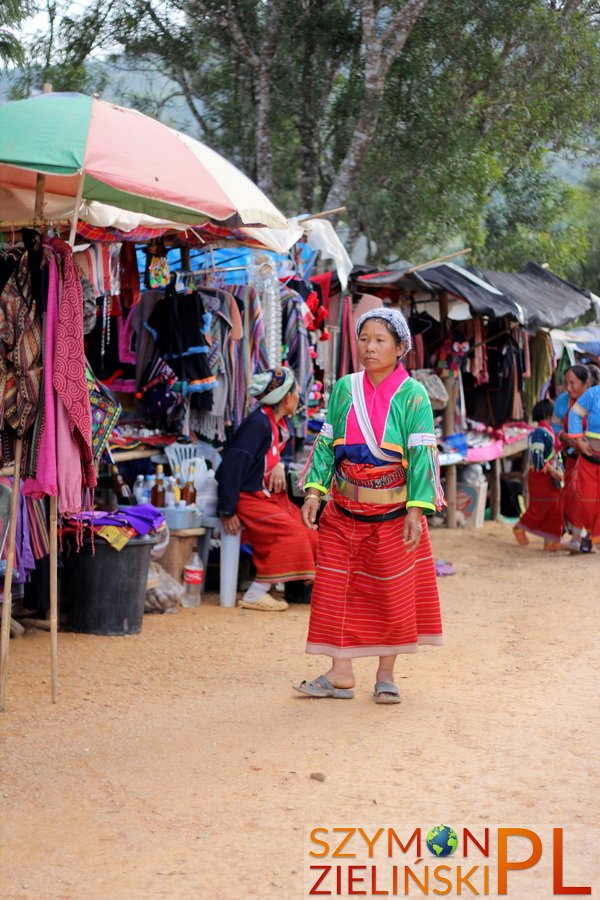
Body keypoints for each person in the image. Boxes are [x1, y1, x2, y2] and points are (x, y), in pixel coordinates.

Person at [294, 308, 444, 705]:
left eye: (380, 340)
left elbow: (423, 453)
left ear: (400, 348)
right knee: (335, 589)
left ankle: (386, 675)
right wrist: (314, 491)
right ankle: (340, 672)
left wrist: (417, 510)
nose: (370, 347)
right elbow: (327, 443)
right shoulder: (345, 388)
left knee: (391, 593)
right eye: (364, 339)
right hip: (344, 509)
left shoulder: (412, 395)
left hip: (394, 514)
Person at [216, 367, 318, 611]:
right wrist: (227, 510)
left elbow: (263, 459)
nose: (298, 396)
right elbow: (232, 466)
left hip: (265, 496)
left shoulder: (274, 424)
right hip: (247, 498)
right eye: (295, 392)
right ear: (285, 397)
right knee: (293, 535)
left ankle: (281, 585)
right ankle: (255, 593)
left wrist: (280, 467)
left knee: (310, 531)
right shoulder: (258, 425)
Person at [513, 399, 564, 551]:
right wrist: (553, 471)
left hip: (548, 476)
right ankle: (520, 527)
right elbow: (537, 457)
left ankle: (549, 541)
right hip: (541, 476)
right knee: (542, 507)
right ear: (548, 414)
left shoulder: (547, 431)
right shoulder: (539, 433)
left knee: (553, 508)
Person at [565, 383, 600, 550]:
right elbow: (575, 414)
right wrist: (578, 440)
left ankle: (593, 538)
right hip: (590, 457)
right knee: (587, 501)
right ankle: (592, 534)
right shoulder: (593, 394)